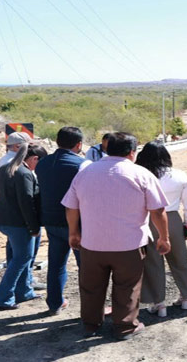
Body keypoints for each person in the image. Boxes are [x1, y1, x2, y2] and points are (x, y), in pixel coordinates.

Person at [62, 132, 171, 340]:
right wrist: (164, 237)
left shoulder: (86, 172)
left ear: (106, 149)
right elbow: (158, 211)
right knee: (128, 287)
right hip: (128, 245)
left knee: (91, 286)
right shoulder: (141, 174)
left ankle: (90, 324)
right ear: (132, 152)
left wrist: (74, 233)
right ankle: (124, 327)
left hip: (92, 244)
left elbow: (71, 207)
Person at [136, 142, 187, 316]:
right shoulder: (179, 175)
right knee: (180, 260)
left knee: (153, 263)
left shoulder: (141, 175)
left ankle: (159, 303)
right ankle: (185, 298)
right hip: (172, 218)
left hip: (148, 219)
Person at [34, 127, 88, 315]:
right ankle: (88, 305)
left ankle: (54, 303)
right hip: (77, 223)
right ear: (79, 144)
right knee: (85, 266)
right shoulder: (82, 164)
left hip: (50, 220)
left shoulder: (42, 164)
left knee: (56, 264)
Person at [0, 143, 47, 309]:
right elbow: (27, 203)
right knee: (22, 258)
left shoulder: (5, 169)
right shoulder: (24, 174)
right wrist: (34, 227)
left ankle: (23, 292)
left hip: (3, 220)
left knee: (16, 257)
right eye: (40, 163)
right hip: (18, 223)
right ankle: (3, 298)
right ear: (35, 158)